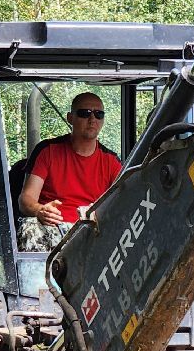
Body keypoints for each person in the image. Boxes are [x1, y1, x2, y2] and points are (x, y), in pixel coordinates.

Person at [17, 93, 121, 251]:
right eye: (85, 113)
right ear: (70, 118)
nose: (92, 119)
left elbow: (123, 203)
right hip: (53, 228)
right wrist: (40, 210)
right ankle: (40, 276)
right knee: (30, 227)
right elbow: (26, 200)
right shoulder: (47, 151)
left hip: (93, 233)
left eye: (98, 114)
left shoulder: (112, 161)